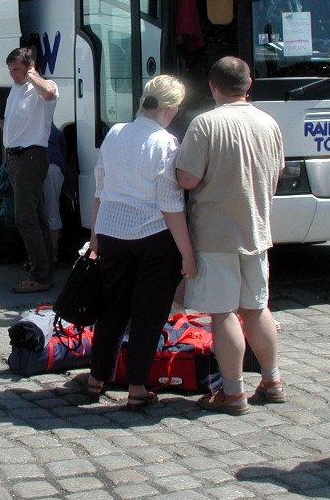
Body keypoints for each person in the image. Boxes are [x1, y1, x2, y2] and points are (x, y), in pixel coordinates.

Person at [176, 56, 285, 415]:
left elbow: (187, 179)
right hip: (256, 229)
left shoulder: (204, 124)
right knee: (257, 308)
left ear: (212, 86)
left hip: (215, 233)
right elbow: (279, 170)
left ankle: (233, 392)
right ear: (249, 83)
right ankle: (272, 380)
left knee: (223, 314)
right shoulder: (268, 122)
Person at [86, 75, 196, 410]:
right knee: (148, 314)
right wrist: (187, 254)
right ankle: (136, 387)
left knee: (112, 309)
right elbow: (170, 205)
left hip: (112, 233)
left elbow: (100, 189)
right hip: (152, 236)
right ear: (171, 108)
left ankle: (96, 379)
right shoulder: (166, 144)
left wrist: (94, 237)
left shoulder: (115, 133)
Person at [0, 46, 58, 293]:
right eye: (10, 69)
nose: (12, 74)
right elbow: (17, 125)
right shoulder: (16, 91)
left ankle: (41, 275)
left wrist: (32, 75)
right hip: (15, 158)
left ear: (29, 67)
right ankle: (44, 267)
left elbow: (49, 94)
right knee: (36, 217)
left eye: (17, 69)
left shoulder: (43, 87)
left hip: (31, 158)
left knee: (25, 218)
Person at [44, 123, 68, 264]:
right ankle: (52, 254)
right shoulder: (56, 131)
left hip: (44, 168)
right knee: (52, 212)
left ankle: (43, 257)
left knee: (35, 215)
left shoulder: (29, 124)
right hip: (55, 168)